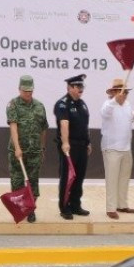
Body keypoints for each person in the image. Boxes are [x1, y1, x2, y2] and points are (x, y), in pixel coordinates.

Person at [6, 75, 49, 223]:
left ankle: (30, 210)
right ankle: (19, 210)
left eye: (30, 91)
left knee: (33, 183)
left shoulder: (39, 106)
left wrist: (42, 148)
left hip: (35, 152)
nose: (28, 93)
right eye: (25, 91)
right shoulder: (13, 105)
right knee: (17, 182)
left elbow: (44, 128)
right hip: (18, 152)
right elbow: (13, 127)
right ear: (19, 89)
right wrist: (17, 148)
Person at [55, 74, 91, 220]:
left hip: (82, 146)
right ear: (69, 88)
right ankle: (64, 208)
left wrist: (88, 142)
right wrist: (65, 143)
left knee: (79, 177)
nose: (80, 89)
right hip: (69, 147)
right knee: (67, 178)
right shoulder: (62, 104)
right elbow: (64, 124)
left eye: (82, 86)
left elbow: (85, 125)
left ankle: (76, 205)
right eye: (77, 86)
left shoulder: (82, 104)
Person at [100, 78, 134, 219]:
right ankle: (110, 208)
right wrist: (115, 100)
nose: (125, 94)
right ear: (114, 92)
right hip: (112, 148)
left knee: (124, 178)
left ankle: (122, 205)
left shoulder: (127, 105)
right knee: (112, 179)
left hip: (126, 148)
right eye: (122, 91)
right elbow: (105, 113)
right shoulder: (108, 105)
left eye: (126, 92)